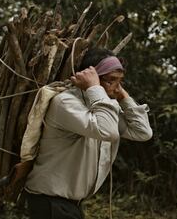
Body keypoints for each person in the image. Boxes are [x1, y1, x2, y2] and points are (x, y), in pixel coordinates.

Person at [24, 48, 153, 219]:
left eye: (120, 81)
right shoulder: (65, 102)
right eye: (112, 80)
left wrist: (122, 96)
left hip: (67, 206)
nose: (116, 87)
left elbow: (142, 132)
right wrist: (95, 89)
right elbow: (108, 131)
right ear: (92, 78)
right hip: (50, 203)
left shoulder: (102, 107)